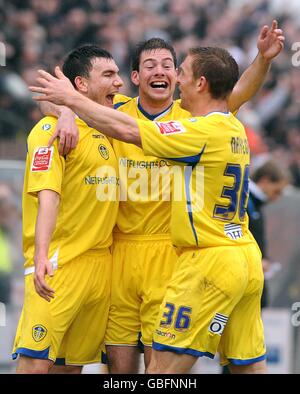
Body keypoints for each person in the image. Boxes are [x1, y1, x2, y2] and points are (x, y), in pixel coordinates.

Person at [39, 21, 285, 373]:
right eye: (151, 65)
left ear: (192, 81)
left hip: (181, 251)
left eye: (173, 67)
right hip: (132, 250)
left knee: (163, 369)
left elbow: (235, 92)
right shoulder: (216, 122)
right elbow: (60, 105)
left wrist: (261, 61)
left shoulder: (190, 121)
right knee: (245, 365)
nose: (167, 73)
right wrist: (66, 109)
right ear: (136, 76)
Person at [12, 45, 122, 374]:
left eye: (118, 74)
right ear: (81, 84)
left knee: (70, 366)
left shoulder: (112, 126)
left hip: (100, 267)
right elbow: (49, 196)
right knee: (35, 362)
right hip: (61, 263)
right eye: (109, 74)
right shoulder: (51, 132)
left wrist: (67, 109)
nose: (118, 82)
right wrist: (42, 256)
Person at [249, 160, 288, 307]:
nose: (277, 197)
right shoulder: (245, 200)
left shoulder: (255, 204)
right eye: (276, 191)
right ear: (265, 180)